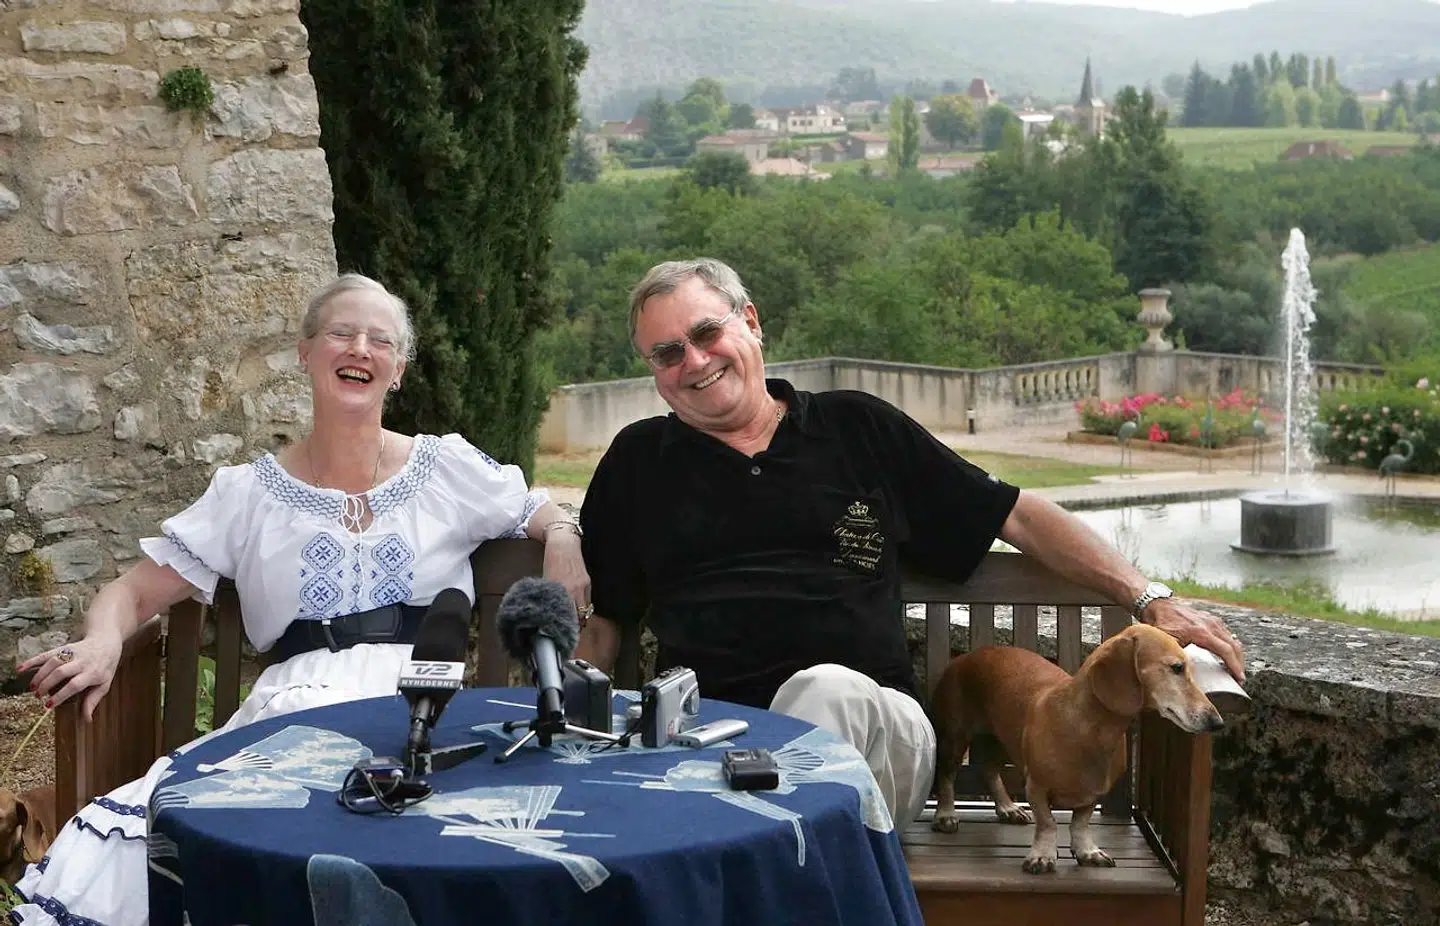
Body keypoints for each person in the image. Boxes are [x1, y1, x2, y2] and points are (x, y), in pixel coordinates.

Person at [575, 257, 1245, 828]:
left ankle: (767, 854)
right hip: (708, 750)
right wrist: (570, 731)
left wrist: (1149, 597)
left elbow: (1014, 515)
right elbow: (605, 625)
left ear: (750, 321)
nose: (693, 361)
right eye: (668, 353)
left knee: (824, 692)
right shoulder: (640, 464)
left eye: (705, 332)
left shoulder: (857, 430)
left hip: (879, 735)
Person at [10, 273, 592, 924]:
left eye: (380, 341)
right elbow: (133, 591)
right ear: (306, 352)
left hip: (429, 709)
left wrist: (564, 537)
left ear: (396, 371)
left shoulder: (446, 469)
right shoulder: (246, 494)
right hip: (289, 710)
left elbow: (537, 507)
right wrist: (100, 640)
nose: (360, 349)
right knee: (182, 845)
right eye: (342, 333)